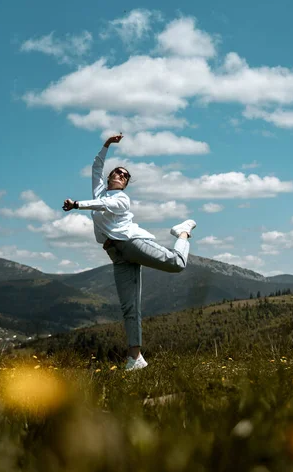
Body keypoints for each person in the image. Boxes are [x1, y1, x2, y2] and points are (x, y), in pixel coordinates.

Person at [62, 134, 196, 371]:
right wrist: (106, 145)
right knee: (129, 306)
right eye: (118, 172)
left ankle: (182, 232)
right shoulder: (100, 191)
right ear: (111, 176)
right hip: (117, 255)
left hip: (132, 243)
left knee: (177, 263)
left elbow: (103, 206)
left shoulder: (121, 199)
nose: (122, 176)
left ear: (125, 183)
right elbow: (96, 167)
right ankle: (135, 359)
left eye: (126, 176)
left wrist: (76, 205)